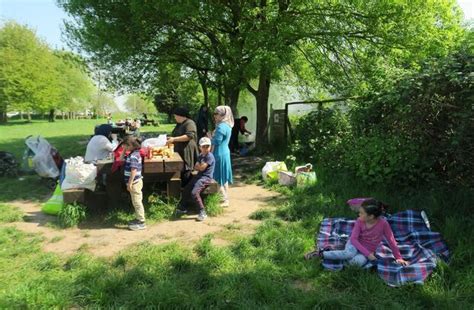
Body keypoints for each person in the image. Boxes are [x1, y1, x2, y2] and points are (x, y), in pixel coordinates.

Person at [305, 199, 409, 267]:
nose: (358, 214)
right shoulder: (359, 221)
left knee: (357, 263)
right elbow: (354, 239)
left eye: (361, 213)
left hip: (367, 250)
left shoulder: (383, 224)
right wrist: (368, 254)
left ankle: (338, 251)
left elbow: (391, 240)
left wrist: (398, 257)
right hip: (354, 244)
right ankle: (320, 254)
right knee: (350, 253)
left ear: (371, 216)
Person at [176, 137, 215, 221]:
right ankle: (183, 207)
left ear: (210, 147)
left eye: (207, 146)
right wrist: (199, 166)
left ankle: (202, 211)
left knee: (194, 193)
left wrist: (199, 166)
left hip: (206, 178)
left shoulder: (210, 156)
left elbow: (201, 168)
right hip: (198, 176)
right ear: (199, 147)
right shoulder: (201, 155)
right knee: (186, 189)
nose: (205, 149)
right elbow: (196, 166)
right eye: (203, 146)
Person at [167, 107, 199, 186]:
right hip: (180, 150)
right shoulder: (180, 124)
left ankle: (186, 189)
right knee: (180, 169)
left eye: (175, 116)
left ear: (180, 115)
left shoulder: (189, 123)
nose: (175, 118)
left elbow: (189, 136)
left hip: (187, 150)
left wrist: (174, 139)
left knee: (186, 169)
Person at [122, 136, 146, 231]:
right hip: (134, 182)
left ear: (131, 145)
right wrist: (124, 150)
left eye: (125, 146)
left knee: (137, 202)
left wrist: (130, 183)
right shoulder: (131, 154)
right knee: (135, 201)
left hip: (135, 183)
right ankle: (138, 218)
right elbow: (120, 159)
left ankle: (141, 222)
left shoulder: (133, 156)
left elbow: (133, 170)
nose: (124, 147)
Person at [211, 106, 233, 207]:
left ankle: (224, 200)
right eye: (214, 113)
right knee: (223, 177)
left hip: (218, 153)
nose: (214, 115)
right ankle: (225, 198)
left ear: (223, 115)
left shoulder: (220, 127)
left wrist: (209, 137)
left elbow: (217, 141)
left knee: (217, 176)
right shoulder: (228, 125)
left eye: (217, 113)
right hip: (225, 152)